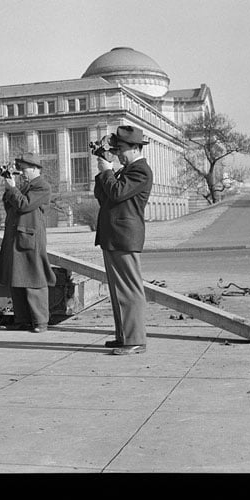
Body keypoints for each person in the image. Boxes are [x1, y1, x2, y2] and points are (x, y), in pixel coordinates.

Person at [94, 126, 153, 355]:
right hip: (114, 236)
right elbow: (104, 196)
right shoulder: (126, 170)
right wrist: (103, 172)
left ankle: (135, 339)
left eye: (122, 149)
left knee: (129, 290)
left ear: (136, 148)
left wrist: (108, 170)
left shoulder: (140, 171)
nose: (118, 154)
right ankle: (125, 336)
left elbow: (117, 193)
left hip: (124, 236)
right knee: (119, 291)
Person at [0, 152, 56, 333]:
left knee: (34, 281)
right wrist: (9, 189)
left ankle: (40, 322)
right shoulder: (25, 186)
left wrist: (12, 189)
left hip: (30, 239)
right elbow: (10, 207)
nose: (22, 172)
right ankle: (22, 320)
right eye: (20, 169)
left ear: (36, 169)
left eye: (24, 169)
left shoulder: (42, 187)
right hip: (18, 237)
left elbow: (23, 205)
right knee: (17, 281)